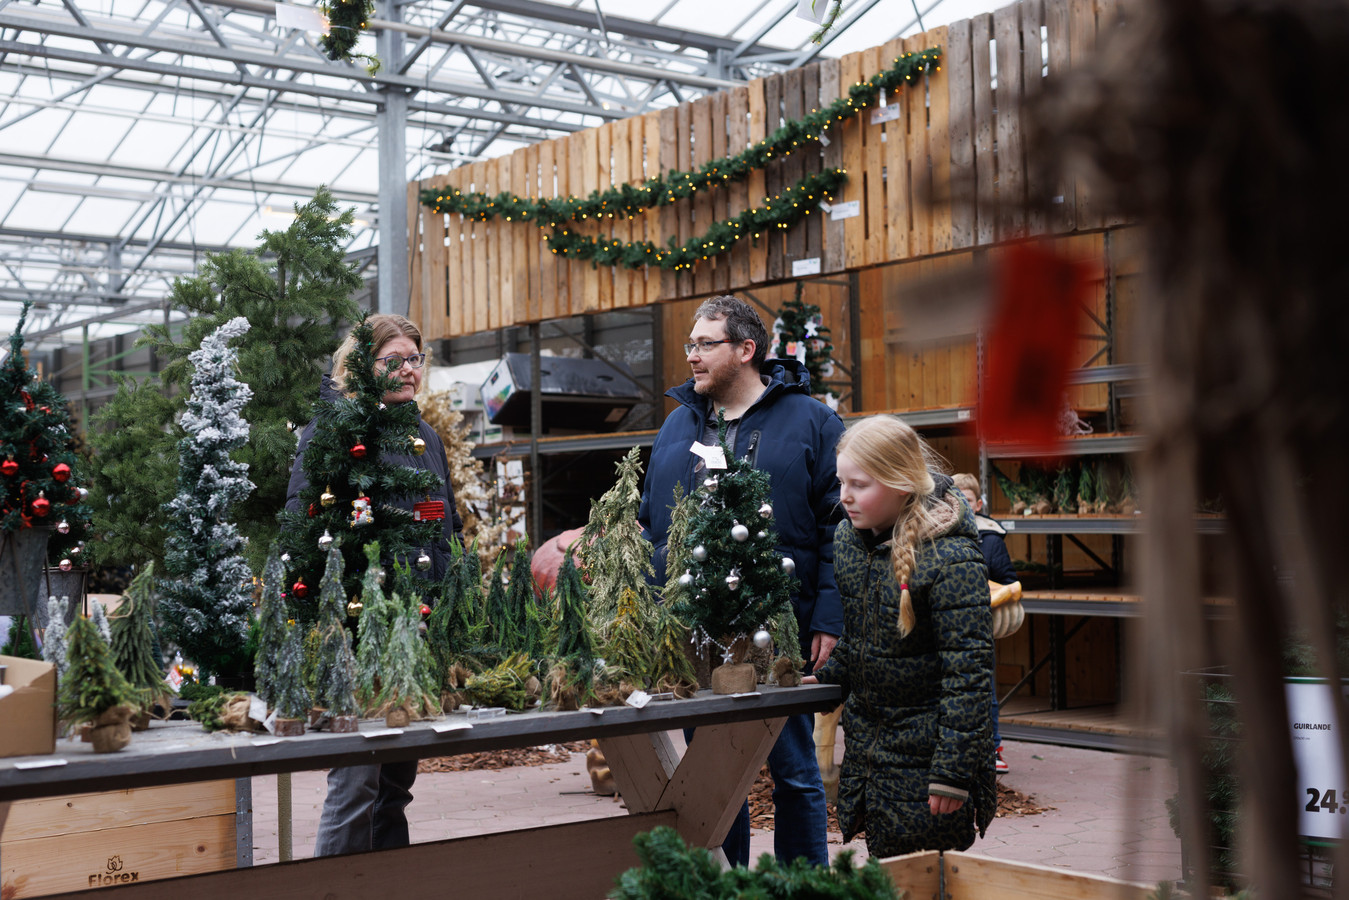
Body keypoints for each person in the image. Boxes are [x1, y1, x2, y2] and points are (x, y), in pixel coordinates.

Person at [638, 294, 844, 867]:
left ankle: (804, 885)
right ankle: (725, 884)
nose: (692, 358)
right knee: (712, 778)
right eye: (691, 345)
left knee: (796, 771)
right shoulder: (679, 425)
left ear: (746, 349)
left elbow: (839, 526)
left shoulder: (812, 422)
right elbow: (654, 524)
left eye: (705, 344)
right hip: (695, 633)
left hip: (782, 623)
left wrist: (829, 615)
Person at [285, 313, 463, 857]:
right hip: (357, 627)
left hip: (416, 623)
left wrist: (446, 585)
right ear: (363, 364)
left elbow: (442, 518)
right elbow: (302, 516)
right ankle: (331, 886)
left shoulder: (424, 435)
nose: (409, 370)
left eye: (415, 359)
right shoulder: (335, 429)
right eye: (395, 360)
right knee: (357, 780)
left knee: (394, 784)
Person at [804, 415, 995, 858]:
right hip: (874, 747)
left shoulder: (951, 559)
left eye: (860, 484)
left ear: (902, 483)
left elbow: (968, 675)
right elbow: (863, 633)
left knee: (925, 873)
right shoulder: (851, 542)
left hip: (928, 757)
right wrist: (830, 677)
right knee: (888, 869)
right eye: (841, 482)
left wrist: (951, 771)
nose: (844, 497)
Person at [953, 471, 1014, 776]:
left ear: (977, 504)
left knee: (984, 691)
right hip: (947, 629)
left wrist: (996, 594)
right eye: (954, 499)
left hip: (979, 629)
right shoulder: (938, 537)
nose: (961, 506)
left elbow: (1008, 581)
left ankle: (993, 747)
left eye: (966, 500)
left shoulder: (990, 540)